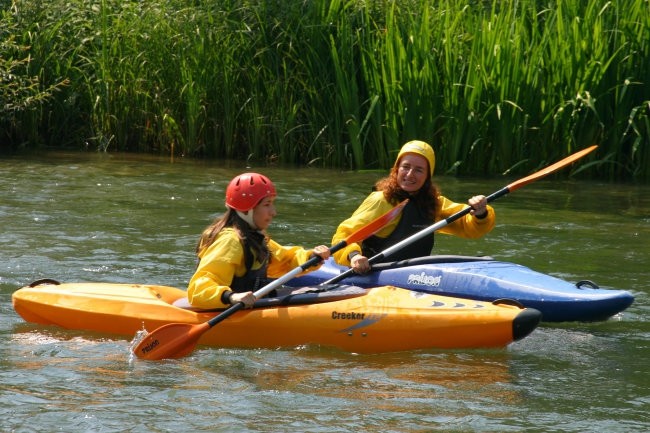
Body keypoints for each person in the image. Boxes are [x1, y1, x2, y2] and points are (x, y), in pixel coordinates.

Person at [331, 140, 495, 273]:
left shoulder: (433, 203)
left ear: (427, 176)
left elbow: (468, 226)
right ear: (396, 169)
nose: (410, 175)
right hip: (374, 274)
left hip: (415, 275)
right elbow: (345, 234)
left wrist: (480, 213)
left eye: (418, 170)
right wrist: (353, 256)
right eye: (406, 167)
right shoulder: (381, 200)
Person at [187, 172, 331, 309]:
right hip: (226, 312)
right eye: (267, 204)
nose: (273, 212)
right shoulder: (230, 241)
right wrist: (231, 297)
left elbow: (285, 261)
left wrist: (311, 256)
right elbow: (198, 288)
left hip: (251, 308)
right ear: (246, 210)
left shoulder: (254, 237)